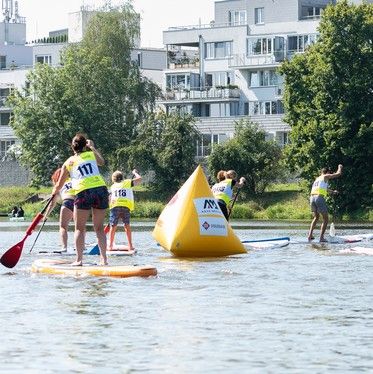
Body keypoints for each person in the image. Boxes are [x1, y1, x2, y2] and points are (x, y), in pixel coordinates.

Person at [52, 133, 108, 266]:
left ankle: (79, 260)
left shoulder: (68, 162)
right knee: (99, 228)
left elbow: (59, 184)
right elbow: (102, 162)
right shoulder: (91, 154)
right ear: (85, 145)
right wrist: (92, 147)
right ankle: (104, 260)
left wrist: (54, 192)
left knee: (79, 228)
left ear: (73, 147)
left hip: (83, 192)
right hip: (100, 189)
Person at [308, 164, 343, 242]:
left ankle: (310, 236)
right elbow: (338, 174)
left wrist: (333, 191)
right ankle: (321, 238)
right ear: (326, 172)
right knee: (326, 219)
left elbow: (325, 189)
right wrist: (339, 167)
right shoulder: (325, 176)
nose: (329, 175)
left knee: (316, 217)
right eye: (329, 173)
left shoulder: (317, 179)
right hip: (319, 198)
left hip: (312, 198)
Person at [108, 169, 142, 251]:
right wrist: (135, 173)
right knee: (127, 225)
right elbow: (139, 179)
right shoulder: (127, 182)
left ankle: (110, 246)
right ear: (122, 177)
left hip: (115, 206)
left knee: (113, 226)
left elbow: (109, 198)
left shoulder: (112, 187)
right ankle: (130, 246)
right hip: (126, 206)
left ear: (113, 179)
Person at [49, 168, 75, 252]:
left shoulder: (58, 184)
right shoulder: (74, 180)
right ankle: (82, 246)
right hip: (79, 202)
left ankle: (64, 247)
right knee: (79, 227)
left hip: (68, 202)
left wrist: (46, 215)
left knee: (63, 227)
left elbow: (52, 203)